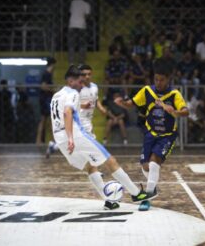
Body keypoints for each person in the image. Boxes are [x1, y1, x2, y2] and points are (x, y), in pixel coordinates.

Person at [50, 65, 155, 210]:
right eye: (80, 82)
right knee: (110, 160)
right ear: (71, 80)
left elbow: (63, 112)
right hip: (75, 135)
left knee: (90, 166)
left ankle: (109, 200)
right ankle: (136, 193)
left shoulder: (57, 95)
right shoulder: (73, 93)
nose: (82, 85)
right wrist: (71, 138)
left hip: (58, 137)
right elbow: (68, 112)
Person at [115, 59, 189, 211]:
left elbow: (186, 112)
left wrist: (174, 111)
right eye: (156, 79)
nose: (159, 82)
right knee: (146, 166)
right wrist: (121, 102)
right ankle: (152, 187)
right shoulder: (147, 91)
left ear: (168, 79)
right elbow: (131, 104)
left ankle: (147, 198)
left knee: (155, 163)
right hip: (150, 133)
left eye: (162, 79)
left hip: (167, 135)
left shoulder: (174, 94)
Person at [46, 64, 107, 157]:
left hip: (89, 118)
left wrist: (101, 108)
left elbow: (95, 99)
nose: (87, 76)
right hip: (80, 118)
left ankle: (54, 147)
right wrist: (83, 105)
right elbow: (71, 106)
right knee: (91, 142)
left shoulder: (94, 87)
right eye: (84, 74)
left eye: (89, 74)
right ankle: (94, 163)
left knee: (80, 142)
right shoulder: (76, 89)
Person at [36, 57, 56, 144]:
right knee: (48, 120)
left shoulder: (47, 74)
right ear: (53, 64)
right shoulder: (47, 74)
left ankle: (40, 140)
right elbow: (43, 86)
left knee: (45, 120)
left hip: (46, 99)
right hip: (45, 99)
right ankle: (51, 140)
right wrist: (53, 90)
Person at [67, 0, 91, 64]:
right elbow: (87, 15)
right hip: (81, 25)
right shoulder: (86, 4)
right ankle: (81, 62)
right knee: (82, 44)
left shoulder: (73, 2)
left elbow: (71, 12)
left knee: (71, 44)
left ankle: (71, 62)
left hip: (72, 24)